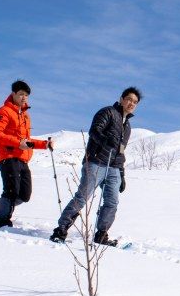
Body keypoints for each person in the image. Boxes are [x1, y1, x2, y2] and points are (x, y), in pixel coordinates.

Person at [49, 87, 141, 246]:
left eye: (135, 102)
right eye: (129, 99)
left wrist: (122, 174)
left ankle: (101, 235)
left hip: (113, 168)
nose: (131, 103)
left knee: (112, 202)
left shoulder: (128, 127)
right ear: (121, 99)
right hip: (96, 162)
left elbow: (121, 151)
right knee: (83, 197)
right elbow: (95, 131)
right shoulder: (108, 112)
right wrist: (106, 141)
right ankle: (61, 229)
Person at [0, 80, 51, 229]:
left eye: (26, 95)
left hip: (23, 159)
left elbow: (26, 141)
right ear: (13, 94)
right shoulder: (3, 111)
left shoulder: (26, 116)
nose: (24, 98)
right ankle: (3, 222)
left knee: (24, 196)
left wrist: (44, 144)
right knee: (11, 190)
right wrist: (16, 143)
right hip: (8, 157)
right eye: (21, 94)